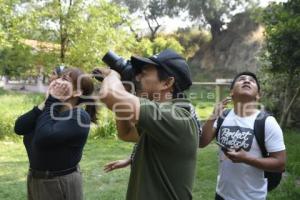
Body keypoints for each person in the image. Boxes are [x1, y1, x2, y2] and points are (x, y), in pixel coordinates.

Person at [96, 49, 199, 200]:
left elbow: (109, 95)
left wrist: (113, 75)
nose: (137, 77)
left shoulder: (175, 117)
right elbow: (126, 133)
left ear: (167, 82)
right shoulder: (160, 118)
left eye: (143, 73)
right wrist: (126, 88)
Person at [199, 72, 286, 200]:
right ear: (231, 92)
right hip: (221, 194)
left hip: (252, 197)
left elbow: (280, 163)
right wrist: (213, 116)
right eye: (241, 79)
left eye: (251, 80)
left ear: (258, 95)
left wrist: (246, 159)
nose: (246, 81)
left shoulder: (267, 122)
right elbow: (202, 142)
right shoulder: (223, 116)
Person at [14, 68, 98, 200]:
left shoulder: (79, 116)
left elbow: (44, 137)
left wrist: (51, 101)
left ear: (77, 92)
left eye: (65, 79)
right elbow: (19, 128)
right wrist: (47, 102)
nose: (57, 80)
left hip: (59, 183)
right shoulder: (47, 111)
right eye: (60, 77)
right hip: (35, 179)